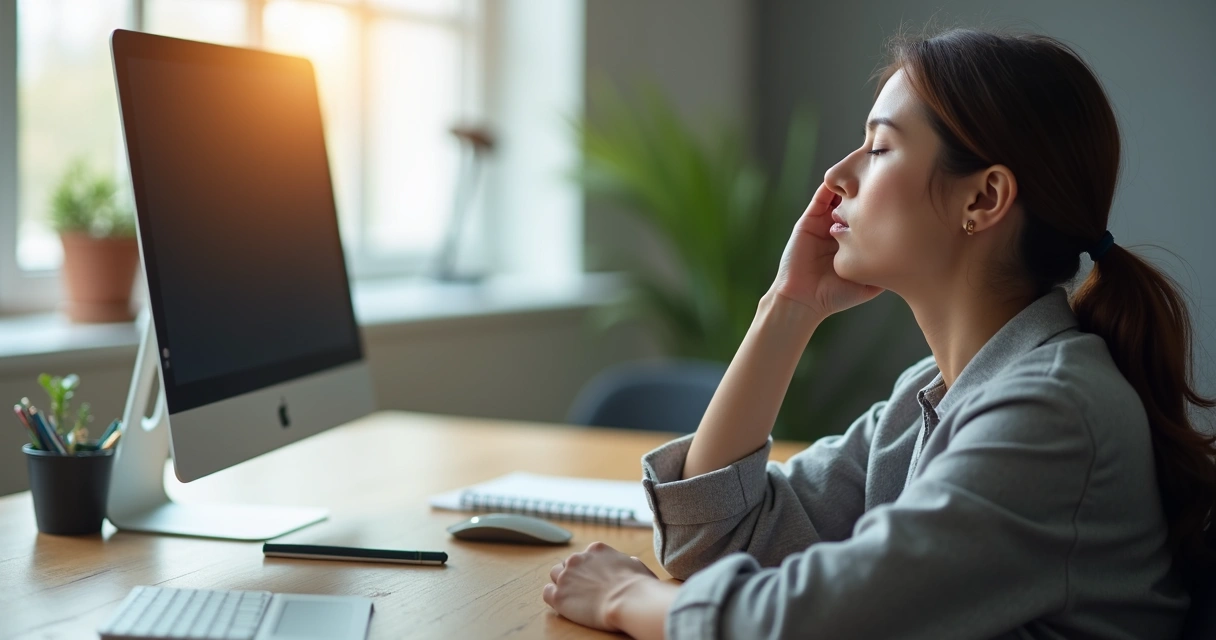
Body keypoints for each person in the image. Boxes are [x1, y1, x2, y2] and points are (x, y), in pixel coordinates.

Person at [541, 27, 1216, 639]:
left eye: (880, 145)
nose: (837, 177)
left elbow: (815, 626)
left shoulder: (1053, 413)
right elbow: (712, 536)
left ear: (983, 200)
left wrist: (625, 600)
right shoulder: (931, 396)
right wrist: (789, 304)